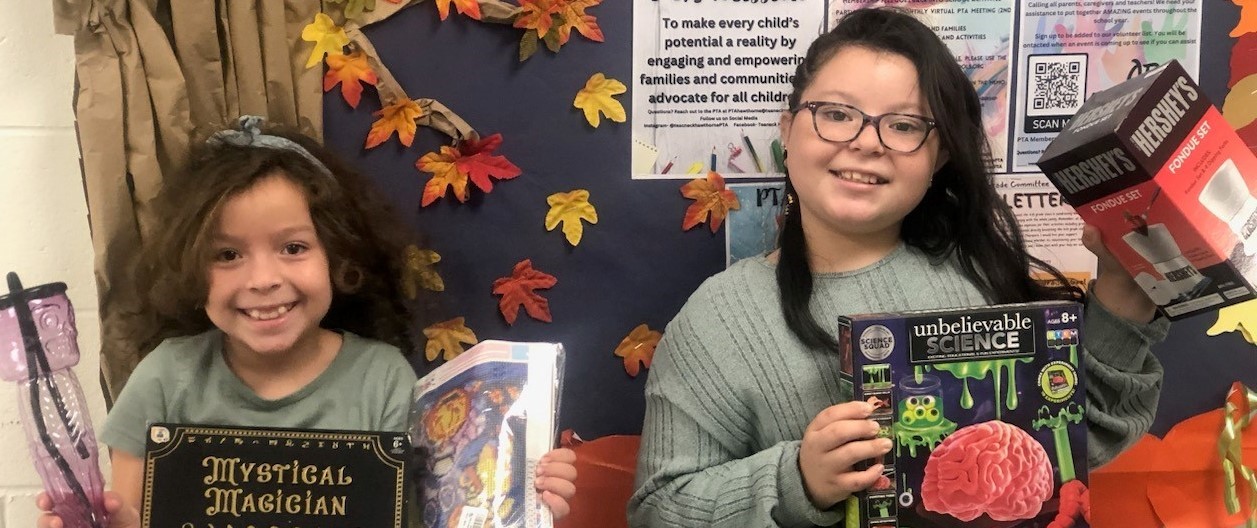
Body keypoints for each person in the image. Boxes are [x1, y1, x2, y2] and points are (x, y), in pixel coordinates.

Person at [628, 8, 1167, 527]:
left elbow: (1076, 440)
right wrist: (797, 480)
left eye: (904, 125)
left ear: (938, 158)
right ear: (788, 131)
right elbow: (658, 510)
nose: (866, 142)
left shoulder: (980, 277)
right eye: (836, 114)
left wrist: (1125, 295)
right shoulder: (718, 319)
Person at [37, 116, 577, 528]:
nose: (263, 278)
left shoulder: (383, 378)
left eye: (293, 247)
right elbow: (134, 513)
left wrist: (520, 490)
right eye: (227, 255)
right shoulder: (165, 377)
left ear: (339, 258)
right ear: (190, 269)